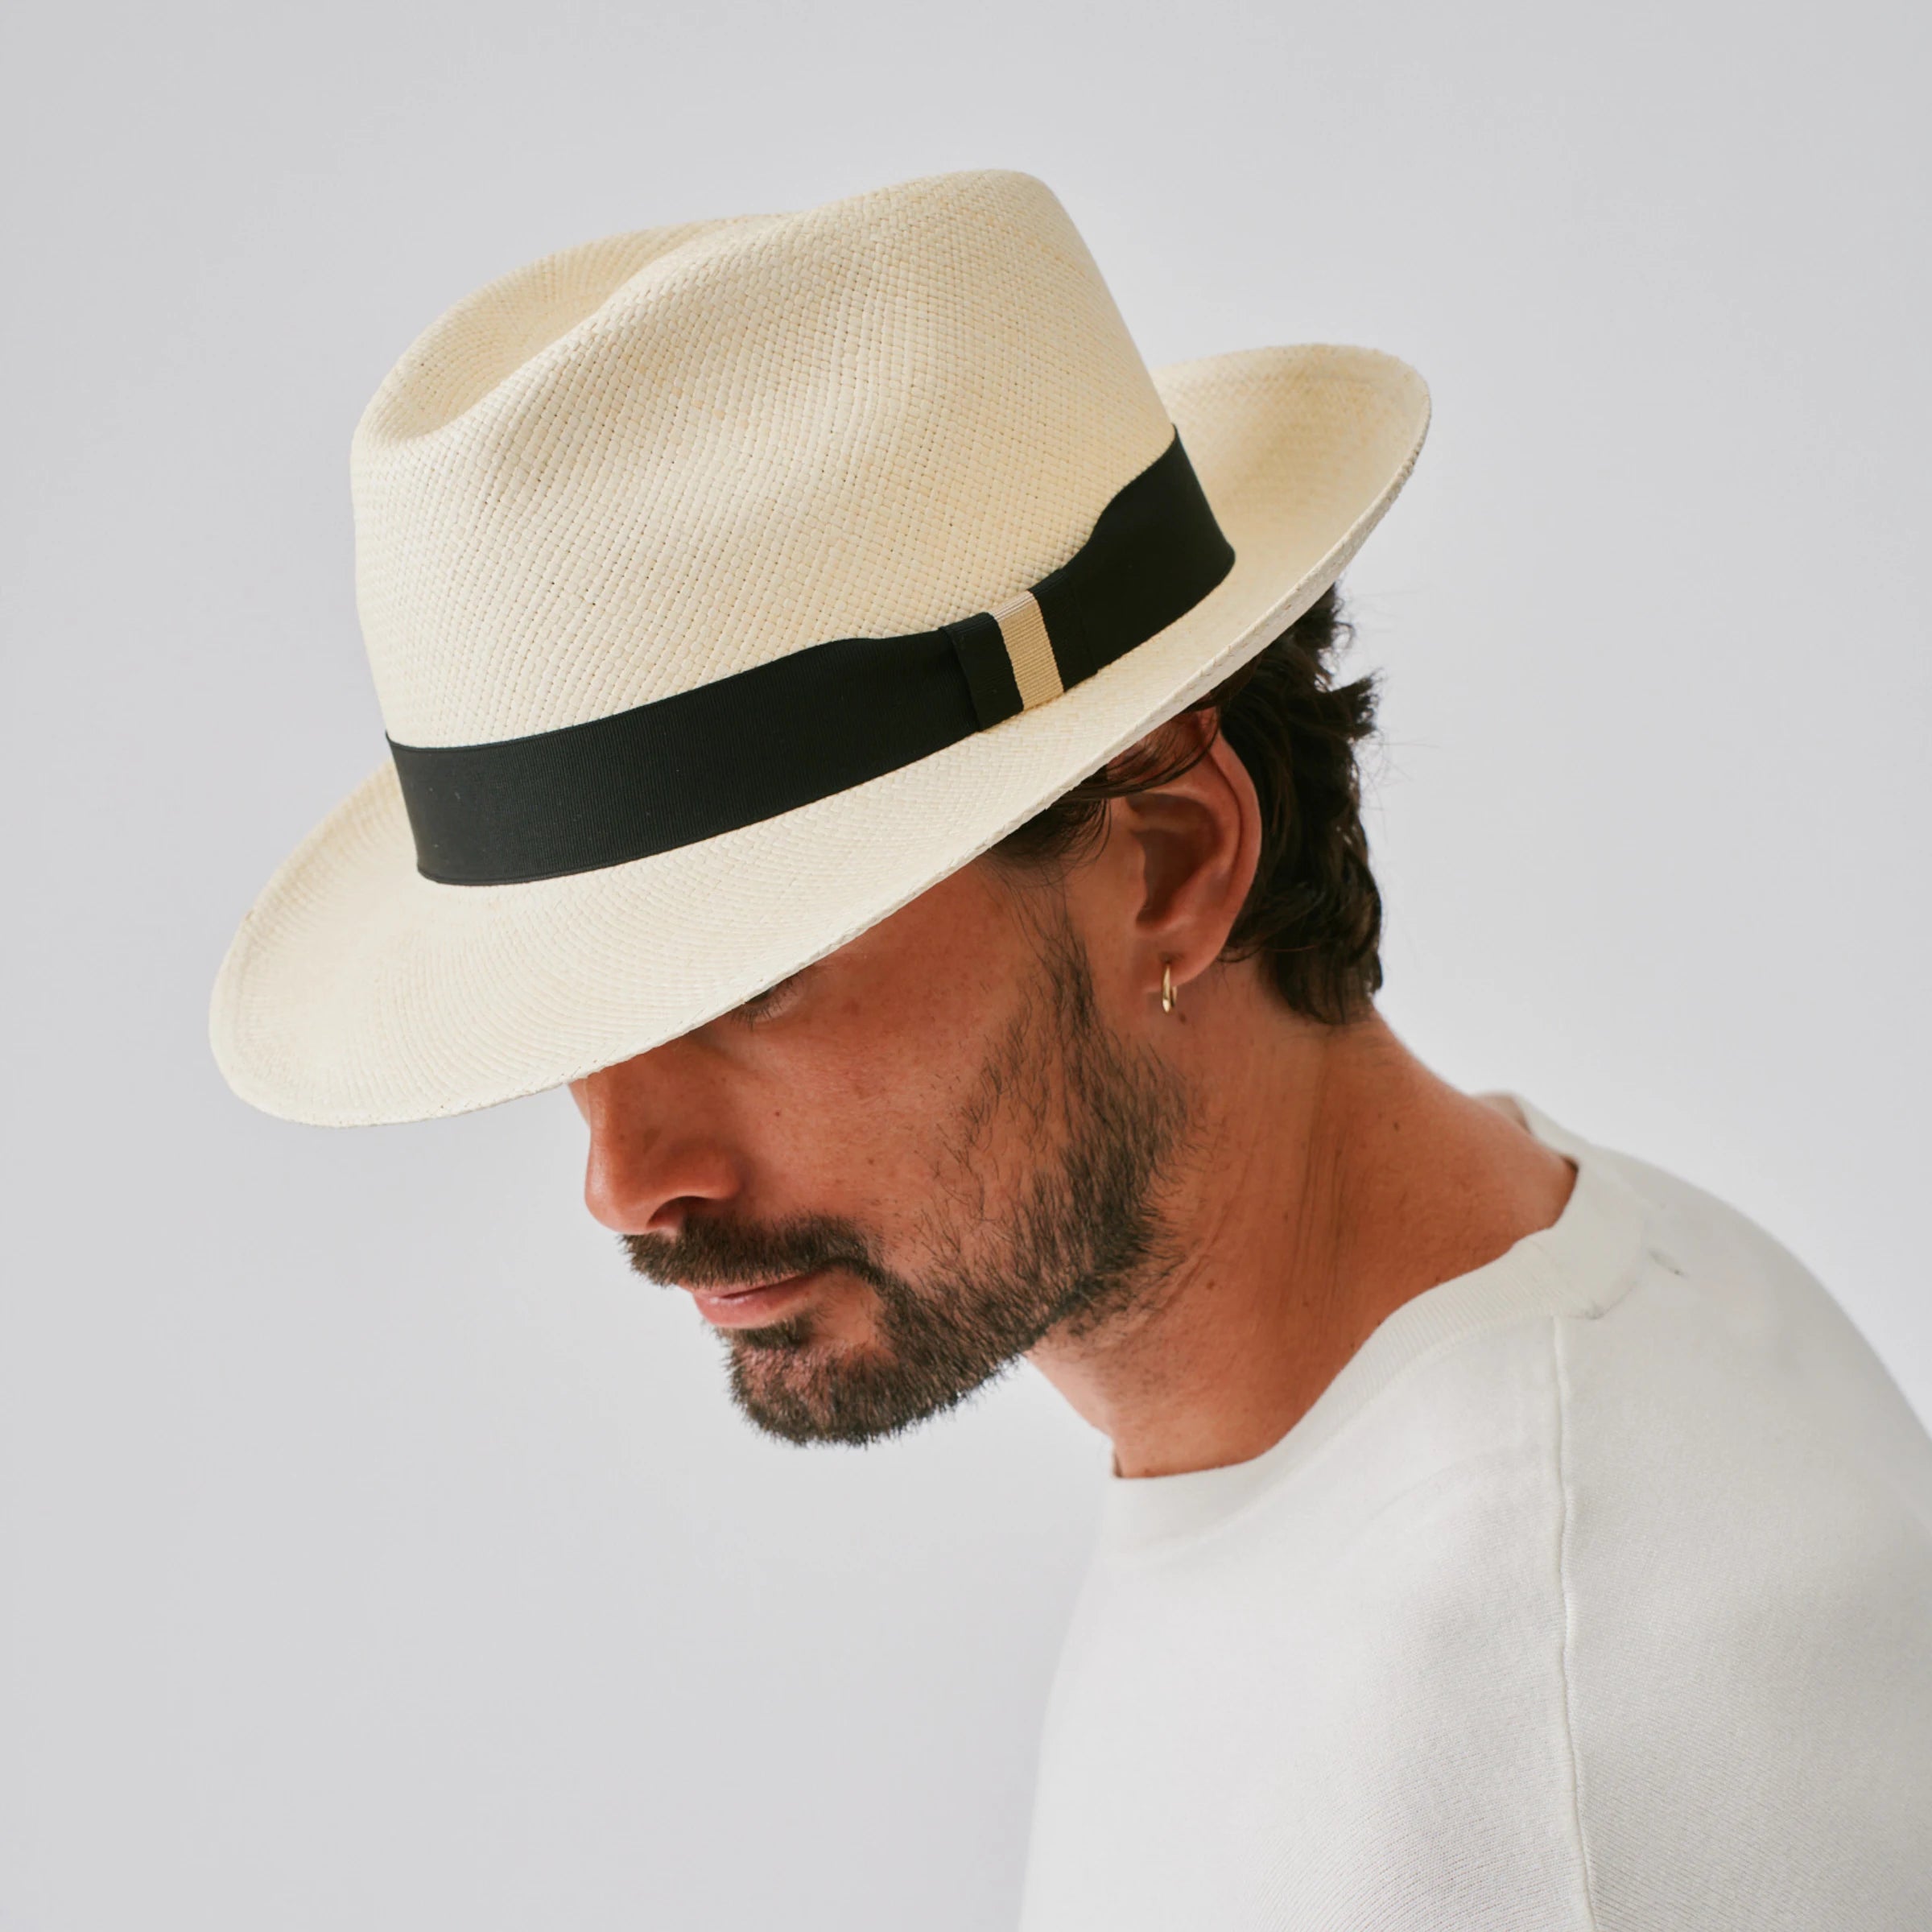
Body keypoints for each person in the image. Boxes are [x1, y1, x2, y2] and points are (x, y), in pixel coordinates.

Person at [213, 170, 1932, 1928]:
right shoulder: (1569, 1314)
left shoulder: (1519, 1730)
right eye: (573, 1025)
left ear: (1172, 864)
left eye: (746, 988)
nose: (626, 1180)